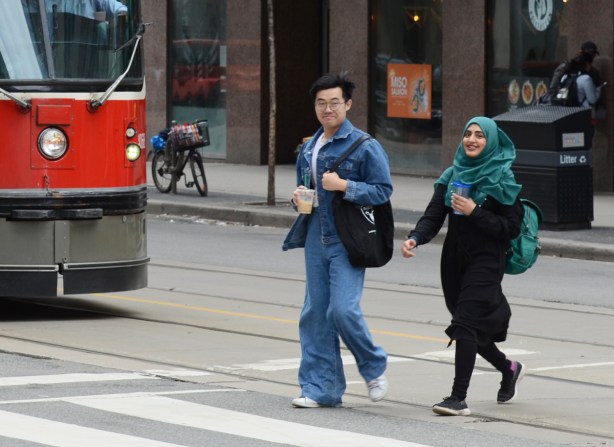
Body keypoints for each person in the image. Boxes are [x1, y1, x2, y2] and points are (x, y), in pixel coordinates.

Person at [401, 116, 525, 416]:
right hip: (455, 261)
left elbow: (510, 228)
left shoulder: (502, 178)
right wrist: (416, 238)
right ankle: (509, 368)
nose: (471, 140)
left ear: (491, 141)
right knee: (471, 329)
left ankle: (457, 398)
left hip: (487, 260)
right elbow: (434, 214)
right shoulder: (452, 174)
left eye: (480, 135)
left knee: (465, 324)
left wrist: (475, 212)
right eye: (468, 133)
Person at [282, 72, 392, 408]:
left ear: (347, 104)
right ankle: (322, 389)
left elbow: (383, 190)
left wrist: (345, 186)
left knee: (343, 310)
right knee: (315, 313)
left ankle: (373, 367)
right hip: (316, 233)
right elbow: (310, 186)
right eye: (321, 103)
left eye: (334, 103)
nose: (327, 109)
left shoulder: (365, 145)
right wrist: (301, 197)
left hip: (348, 238)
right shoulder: (309, 147)